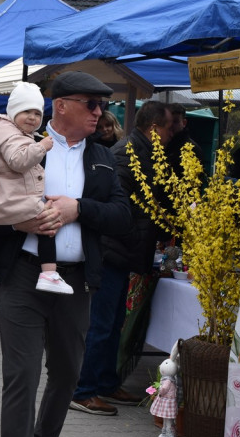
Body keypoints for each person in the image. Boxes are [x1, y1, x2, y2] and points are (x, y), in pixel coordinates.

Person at [0, 71, 131, 437]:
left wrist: (78, 209)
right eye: (92, 103)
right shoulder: (20, 144)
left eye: (103, 105)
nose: (100, 112)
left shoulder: (103, 158)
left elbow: (123, 216)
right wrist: (18, 220)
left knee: (67, 371)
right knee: (22, 376)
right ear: (61, 105)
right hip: (23, 277)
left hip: (76, 280)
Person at [70, 101, 173, 416]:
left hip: (123, 250)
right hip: (112, 250)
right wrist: (139, 236)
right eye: (169, 128)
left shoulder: (143, 152)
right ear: (154, 127)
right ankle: (83, 390)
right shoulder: (127, 155)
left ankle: (105, 383)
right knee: (102, 324)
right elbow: (121, 208)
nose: (173, 134)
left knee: (114, 323)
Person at [0, 82, 70, 312]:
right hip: (11, 198)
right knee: (46, 220)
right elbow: (18, 161)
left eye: (37, 113)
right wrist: (41, 147)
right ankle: (49, 273)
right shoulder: (15, 137)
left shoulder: (2, 130)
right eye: (26, 112)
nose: (32, 118)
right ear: (13, 112)